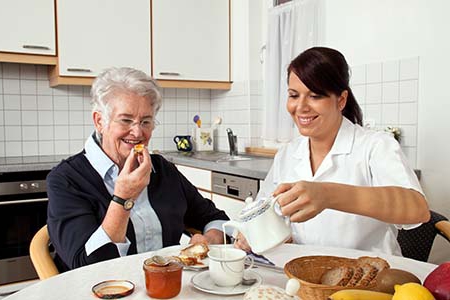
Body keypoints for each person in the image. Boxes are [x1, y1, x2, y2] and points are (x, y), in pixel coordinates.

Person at [234, 47, 429, 256]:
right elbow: (266, 210)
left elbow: (417, 209)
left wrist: (327, 195)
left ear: (341, 100)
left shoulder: (375, 146)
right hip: (302, 274)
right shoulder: (288, 154)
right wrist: (251, 233)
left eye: (315, 96)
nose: (301, 107)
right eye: (293, 95)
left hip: (368, 279)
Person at [47, 67, 229, 271]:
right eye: (126, 120)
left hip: (166, 286)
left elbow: (216, 218)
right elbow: (86, 267)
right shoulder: (66, 179)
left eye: (146, 121)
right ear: (99, 121)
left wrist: (210, 241)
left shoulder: (163, 169)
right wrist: (124, 198)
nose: (137, 132)